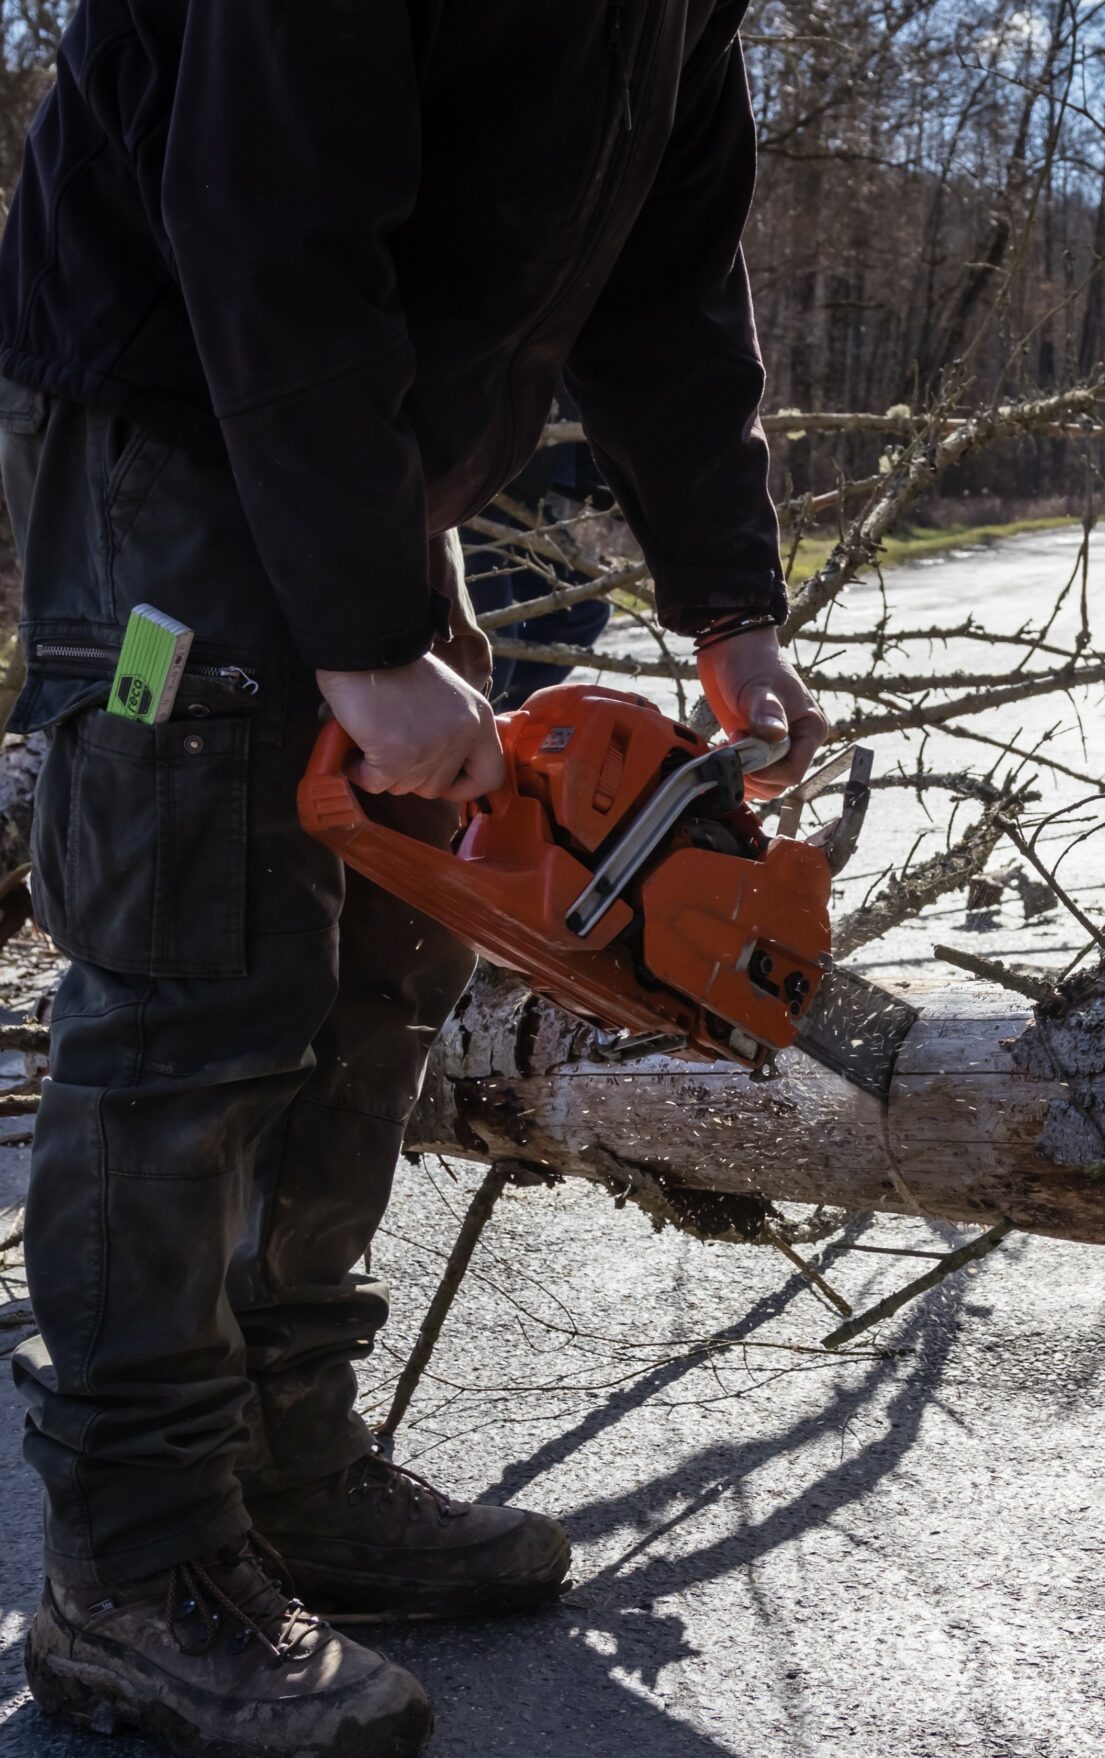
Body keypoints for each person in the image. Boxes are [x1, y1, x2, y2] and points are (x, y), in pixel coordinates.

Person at [0, 3, 826, 1752]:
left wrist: (728, 603)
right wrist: (370, 636)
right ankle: (130, 1566)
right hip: (176, 395)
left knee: (391, 952)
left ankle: (287, 1467)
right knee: (192, 973)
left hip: (359, 440)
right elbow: (260, 216)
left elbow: (670, 282)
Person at [469, 394, 618, 710]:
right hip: (468, 473)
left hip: (528, 478)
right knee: (494, 641)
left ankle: (505, 723)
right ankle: (475, 733)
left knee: (584, 606)